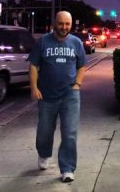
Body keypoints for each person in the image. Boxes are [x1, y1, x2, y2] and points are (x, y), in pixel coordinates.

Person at [28, 11, 87, 182]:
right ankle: (44, 153)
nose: (64, 27)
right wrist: (34, 87)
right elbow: (33, 65)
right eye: (61, 23)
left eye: (67, 24)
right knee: (45, 131)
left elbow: (82, 65)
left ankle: (67, 168)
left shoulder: (76, 43)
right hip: (46, 96)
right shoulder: (43, 42)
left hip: (70, 95)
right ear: (55, 23)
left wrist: (77, 85)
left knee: (69, 132)